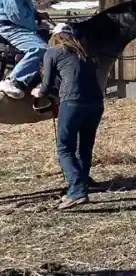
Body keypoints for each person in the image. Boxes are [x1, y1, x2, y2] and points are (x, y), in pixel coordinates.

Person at [34, 29, 105, 210]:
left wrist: (38, 92)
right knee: (85, 146)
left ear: (54, 39)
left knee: (65, 147)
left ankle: (77, 191)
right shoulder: (86, 54)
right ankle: (80, 185)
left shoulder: (53, 52)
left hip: (73, 103)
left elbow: (47, 84)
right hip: (96, 103)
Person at [0, 0, 48, 98]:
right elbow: (15, 13)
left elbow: (22, 5)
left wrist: (36, 14)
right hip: (8, 25)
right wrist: (36, 26)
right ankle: (14, 80)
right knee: (41, 49)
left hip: (18, 23)